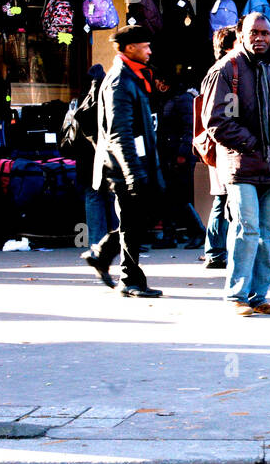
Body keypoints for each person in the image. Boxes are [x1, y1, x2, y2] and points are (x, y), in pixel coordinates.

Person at [201, 12, 270, 315]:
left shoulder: (268, 71)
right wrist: (253, 144)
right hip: (241, 166)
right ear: (240, 34)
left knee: (267, 233)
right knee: (246, 229)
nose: (260, 38)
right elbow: (216, 121)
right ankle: (236, 295)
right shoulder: (226, 69)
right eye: (254, 33)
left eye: (265, 33)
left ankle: (258, 295)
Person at [81, 25, 164, 298]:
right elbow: (120, 133)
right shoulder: (120, 81)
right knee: (133, 220)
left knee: (138, 219)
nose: (150, 50)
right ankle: (129, 279)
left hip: (136, 162)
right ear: (130, 48)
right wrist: (132, 173)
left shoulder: (133, 76)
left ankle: (102, 255)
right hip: (123, 165)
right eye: (145, 46)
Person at [61, 63, 115, 249]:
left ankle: (96, 241)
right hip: (106, 155)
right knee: (112, 196)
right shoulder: (108, 98)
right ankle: (117, 239)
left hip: (86, 159)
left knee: (93, 197)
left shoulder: (81, 101)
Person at [200, 27, 236, 270]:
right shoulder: (223, 72)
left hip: (220, 143)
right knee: (223, 198)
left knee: (221, 199)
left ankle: (215, 251)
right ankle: (214, 251)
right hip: (223, 144)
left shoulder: (222, 71)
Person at [157, 72, 205, 249]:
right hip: (170, 154)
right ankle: (170, 235)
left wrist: (183, 153)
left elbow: (188, 128)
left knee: (177, 196)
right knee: (169, 196)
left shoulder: (182, 99)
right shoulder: (170, 98)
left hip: (179, 156)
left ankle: (196, 231)